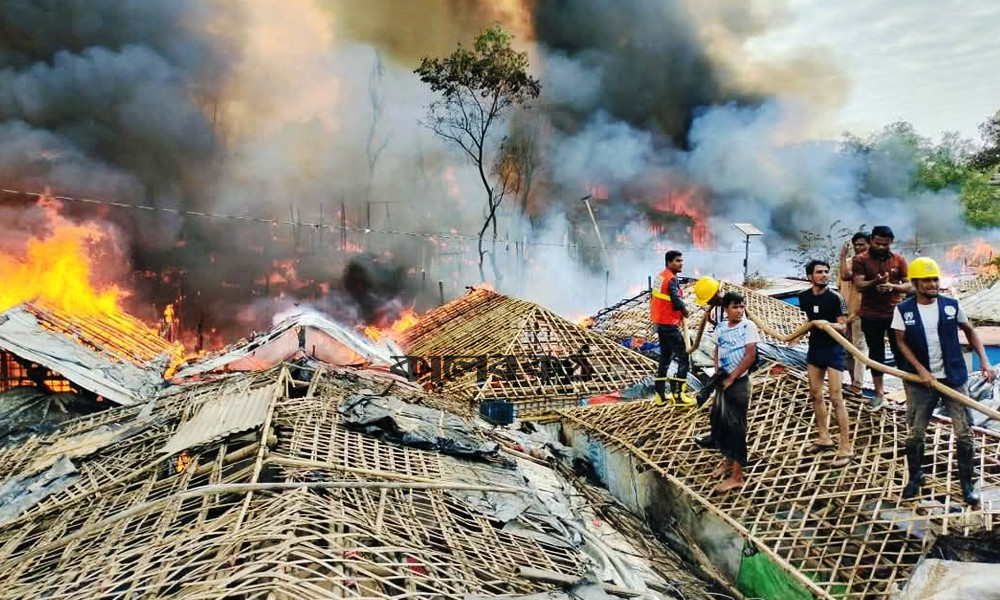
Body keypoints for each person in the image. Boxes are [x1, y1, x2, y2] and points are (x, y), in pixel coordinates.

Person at [891, 257, 994, 504]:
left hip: (954, 378)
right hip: (919, 382)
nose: (932, 284)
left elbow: (970, 331)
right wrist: (920, 370)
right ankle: (915, 477)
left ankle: (967, 485)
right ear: (915, 283)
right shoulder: (903, 310)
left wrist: (985, 360)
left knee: (965, 434)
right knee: (915, 433)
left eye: (935, 279)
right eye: (926, 280)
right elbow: (900, 341)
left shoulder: (951, 305)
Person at [798, 260, 853, 467]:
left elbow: (843, 327)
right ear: (809, 276)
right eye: (819, 272)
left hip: (833, 351)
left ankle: (846, 447)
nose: (823, 275)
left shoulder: (835, 298)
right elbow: (807, 319)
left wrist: (826, 324)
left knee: (836, 397)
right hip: (815, 349)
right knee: (815, 394)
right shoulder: (803, 297)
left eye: (826, 272)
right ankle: (824, 437)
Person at [852, 225, 911, 410]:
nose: (881, 247)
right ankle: (879, 394)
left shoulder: (899, 260)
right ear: (872, 241)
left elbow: (909, 285)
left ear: (891, 242)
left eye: (885, 244)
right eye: (878, 243)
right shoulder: (860, 259)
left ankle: (909, 394)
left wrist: (893, 287)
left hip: (895, 314)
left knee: (901, 353)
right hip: (871, 314)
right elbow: (859, 284)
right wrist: (875, 283)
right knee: (875, 354)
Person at [709, 292, 759, 493]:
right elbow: (717, 350)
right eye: (735, 307)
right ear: (726, 309)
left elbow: (750, 356)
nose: (739, 311)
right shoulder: (721, 327)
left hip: (738, 383)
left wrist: (731, 378)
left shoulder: (748, 327)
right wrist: (718, 373)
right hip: (724, 381)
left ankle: (737, 476)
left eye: (741, 307)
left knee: (737, 429)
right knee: (721, 422)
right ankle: (728, 461)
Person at [651, 250, 693, 405]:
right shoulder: (671, 279)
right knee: (683, 356)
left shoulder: (660, 276)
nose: (681, 263)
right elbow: (675, 300)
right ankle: (679, 395)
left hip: (660, 322)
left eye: (681, 261)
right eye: (677, 261)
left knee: (665, 358)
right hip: (668, 323)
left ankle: (660, 396)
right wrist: (684, 310)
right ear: (668, 262)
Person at [839, 232, 870, 393]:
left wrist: (842, 256)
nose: (858, 247)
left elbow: (846, 276)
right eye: (856, 245)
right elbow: (841, 285)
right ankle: (852, 382)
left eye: (862, 244)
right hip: (845, 312)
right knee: (847, 349)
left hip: (861, 313)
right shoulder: (848, 262)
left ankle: (858, 385)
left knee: (859, 348)